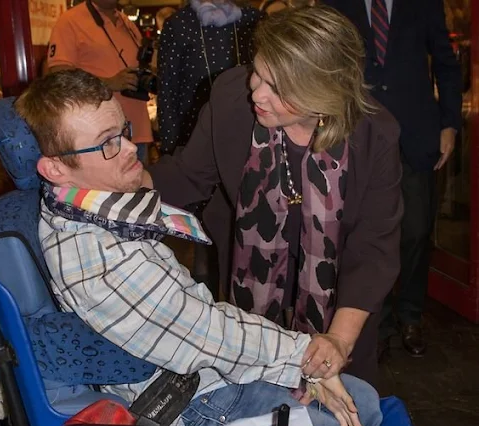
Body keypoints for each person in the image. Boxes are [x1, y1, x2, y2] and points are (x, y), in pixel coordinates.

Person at [15, 68, 384, 426]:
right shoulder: (101, 260)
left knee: (366, 405)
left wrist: (303, 363)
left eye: (123, 131)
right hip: (191, 403)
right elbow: (204, 332)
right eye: (106, 144)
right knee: (354, 425)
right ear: (55, 168)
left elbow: (199, 325)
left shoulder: (94, 213)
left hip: (198, 374)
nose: (129, 148)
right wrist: (307, 360)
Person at [146, 5, 403, 386]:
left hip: (338, 308)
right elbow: (186, 176)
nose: (257, 93)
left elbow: (373, 251)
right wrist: (110, 182)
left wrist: (337, 339)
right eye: (258, 72)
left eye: (278, 88)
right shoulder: (232, 98)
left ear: (323, 94)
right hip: (248, 305)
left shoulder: (374, 136)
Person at [323, 0, 463, 358]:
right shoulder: (335, 4)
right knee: (365, 232)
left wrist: (450, 123)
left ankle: (411, 313)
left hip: (417, 134)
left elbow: (446, 65)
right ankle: (377, 321)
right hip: (359, 133)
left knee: (416, 231)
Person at [47, 0, 153, 164]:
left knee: (141, 189)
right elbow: (59, 76)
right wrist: (109, 82)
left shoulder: (127, 23)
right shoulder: (69, 21)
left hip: (137, 131)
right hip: (100, 140)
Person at [157, 0, 262, 155]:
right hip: (195, 133)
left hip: (248, 127)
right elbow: (167, 90)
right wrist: (169, 148)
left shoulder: (253, 19)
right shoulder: (179, 24)